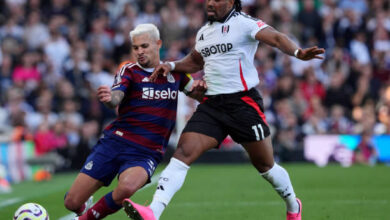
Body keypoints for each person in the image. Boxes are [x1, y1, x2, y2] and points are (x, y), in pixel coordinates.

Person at [123, 1, 325, 220]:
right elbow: (194, 61)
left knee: (265, 166)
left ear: (231, 2)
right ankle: (153, 211)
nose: (210, 3)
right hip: (212, 105)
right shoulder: (204, 33)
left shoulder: (245, 23)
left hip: (243, 103)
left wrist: (297, 52)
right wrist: (171, 65)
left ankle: (293, 205)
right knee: (182, 153)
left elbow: (275, 37)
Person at [63, 23, 205, 220]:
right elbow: (116, 98)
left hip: (146, 151)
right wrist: (109, 99)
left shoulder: (175, 72)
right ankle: (81, 207)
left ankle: (86, 218)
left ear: (158, 44)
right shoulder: (129, 71)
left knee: (127, 188)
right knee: (71, 202)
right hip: (115, 143)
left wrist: (203, 89)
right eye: (136, 47)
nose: (139, 52)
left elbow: (198, 95)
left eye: (144, 46)